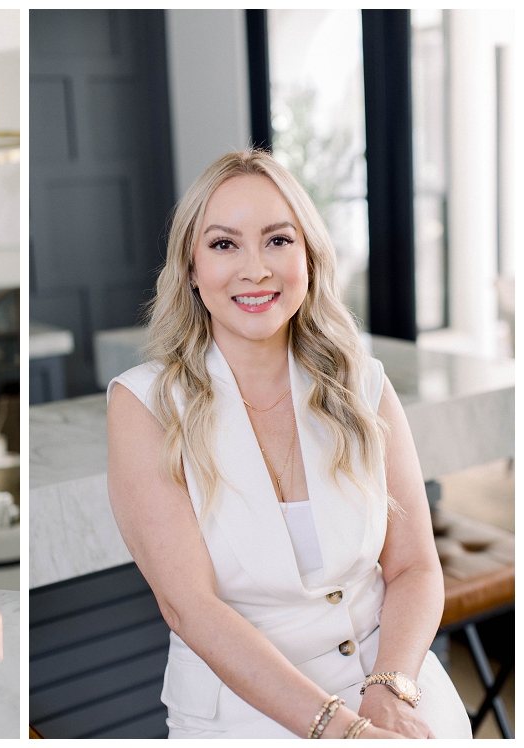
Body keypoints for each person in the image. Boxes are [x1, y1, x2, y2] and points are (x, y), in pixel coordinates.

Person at [106, 151, 471, 739]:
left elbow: (414, 567)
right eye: (225, 244)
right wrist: (341, 729)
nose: (256, 270)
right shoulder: (144, 405)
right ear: (192, 268)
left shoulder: (364, 385)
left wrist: (389, 690)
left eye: (278, 240)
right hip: (243, 709)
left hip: (392, 682)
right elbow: (190, 608)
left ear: (309, 257)